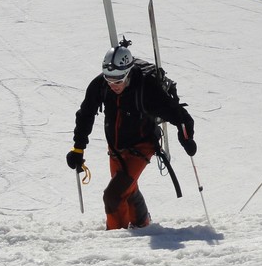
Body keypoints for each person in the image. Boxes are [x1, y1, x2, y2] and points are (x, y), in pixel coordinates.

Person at [66, 41, 196, 230]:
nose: (113, 85)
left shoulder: (146, 89)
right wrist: (78, 148)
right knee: (128, 189)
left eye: (118, 80)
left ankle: (116, 239)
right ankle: (143, 225)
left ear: (128, 73)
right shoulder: (100, 85)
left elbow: (180, 116)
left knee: (113, 196)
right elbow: (85, 115)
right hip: (115, 148)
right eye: (109, 79)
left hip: (141, 147)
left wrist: (186, 138)